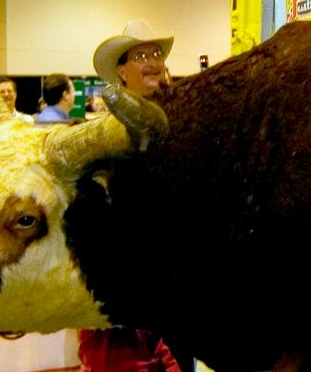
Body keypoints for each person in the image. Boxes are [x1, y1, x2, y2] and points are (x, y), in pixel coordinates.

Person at [78, 19, 178, 372]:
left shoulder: (180, 118)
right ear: (121, 71)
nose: (152, 61)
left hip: (176, 277)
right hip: (123, 279)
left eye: (155, 53)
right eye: (140, 55)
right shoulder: (105, 131)